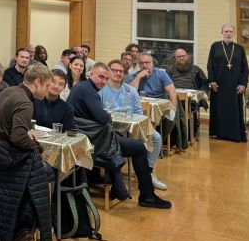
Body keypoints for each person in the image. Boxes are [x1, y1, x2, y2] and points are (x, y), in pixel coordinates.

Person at [66, 63, 171, 208]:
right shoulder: (87, 90)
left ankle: (145, 193)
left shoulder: (84, 88)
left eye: (105, 78)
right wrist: (105, 116)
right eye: (100, 77)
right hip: (91, 142)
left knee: (131, 143)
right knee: (139, 147)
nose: (103, 81)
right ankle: (147, 195)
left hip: (87, 137)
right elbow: (105, 119)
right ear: (91, 74)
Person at [0, 64, 54, 241]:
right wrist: (37, 146)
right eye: (46, 86)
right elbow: (18, 137)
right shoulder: (25, 102)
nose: (47, 90)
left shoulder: (8, 91)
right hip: (8, 161)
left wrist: (26, 132)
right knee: (49, 171)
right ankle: (38, 225)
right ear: (37, 82)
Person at [99, 60, 166, 190]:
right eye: (115, 70)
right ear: (109, 71)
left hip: (132, 127)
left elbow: (138, 113)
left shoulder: (131, 90)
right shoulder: (102, 90)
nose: (118, 73)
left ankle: (149, 172)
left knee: (156, 138)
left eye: (121, 71)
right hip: (111, 130)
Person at [207, 24, 249, 142]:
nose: (228, 34)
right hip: (219, 85)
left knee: (234, 110)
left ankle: (234, 134)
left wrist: (243, 84)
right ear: (222, 32)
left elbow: (245, 69)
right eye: (226, 31)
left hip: (235, 86)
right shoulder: (215, 46)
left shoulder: (240, 48)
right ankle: (219, 133)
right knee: (219, 109)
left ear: (234, 33)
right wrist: (212, 81)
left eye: (231, 32)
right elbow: (210, 65)